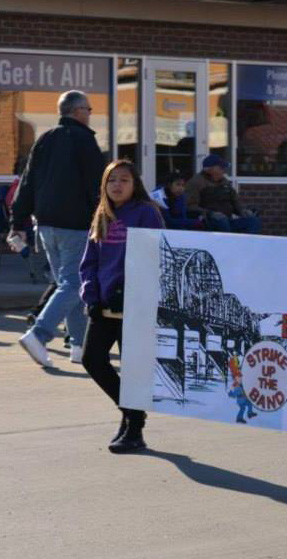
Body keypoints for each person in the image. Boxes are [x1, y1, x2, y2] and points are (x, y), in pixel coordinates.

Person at [10, 90, 106, 367]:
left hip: (46, 225)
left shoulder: (45, 139)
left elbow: (26, 183)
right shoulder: (85, 141)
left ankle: (79, 346)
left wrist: (19, 222)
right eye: (88, 109)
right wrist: (104, 219)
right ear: (77, 112)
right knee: (74, 283)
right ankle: (39, 335)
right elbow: (96, 186)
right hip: (75, 225)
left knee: (71, 284)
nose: (90, 114)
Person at [80, 160, 165, 453]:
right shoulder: (102, 215)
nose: (117, 185)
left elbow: (155, 256)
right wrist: (90, 294)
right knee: (92, 359)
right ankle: (130, 414)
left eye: (124, 180)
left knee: (133, 368)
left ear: (135, 184)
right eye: (111, 180)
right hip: (103, 304)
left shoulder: (146, 213)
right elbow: (89, 261)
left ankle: (134, 431)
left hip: (135, 304)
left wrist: (131, 290)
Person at [185, 155, 262, 234]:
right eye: (221, 168)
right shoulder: (195, 183)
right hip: (209, 222)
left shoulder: (225, 182)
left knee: (253, 221)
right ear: (209, 169)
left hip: (228, 220)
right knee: (221, 221)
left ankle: (248, 245)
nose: (224, 171)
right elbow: (190, 206)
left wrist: (242, 211)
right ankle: (226, 244)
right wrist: (210, 213)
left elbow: (235, 201)